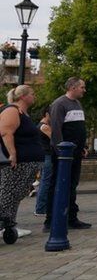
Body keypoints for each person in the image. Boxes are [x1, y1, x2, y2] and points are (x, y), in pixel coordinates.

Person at [44, 77, 91, 232]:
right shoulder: (59, 104)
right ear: (72, 87)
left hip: (75, 152)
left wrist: (82, 146)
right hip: (63, 153)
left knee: (72, 184)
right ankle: (50, 219)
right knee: (56, 184)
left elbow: (79, 127)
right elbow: (56, 129)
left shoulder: (77, 104)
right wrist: (60, 152)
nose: (84, 90)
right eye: (82, 87)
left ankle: (71, 217)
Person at [0, 85, 44, 237]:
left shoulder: (24, 113)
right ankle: (3, 222)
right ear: (23, 96)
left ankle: (9, 224)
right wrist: (12, 154)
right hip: (17, 162)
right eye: (32, 93)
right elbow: (6, 132)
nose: (34, 96)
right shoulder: (12, 110)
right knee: (8, 192)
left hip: (29, 162)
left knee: (16, 193)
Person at [33, 106, 52, 217]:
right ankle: (40, 208)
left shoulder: (40, 126)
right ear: (47, 114)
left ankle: (41, 207)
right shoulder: (44, 127)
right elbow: (55, 138)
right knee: (46, 181)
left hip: (44, 155)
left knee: (45, 181)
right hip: (47, 156)